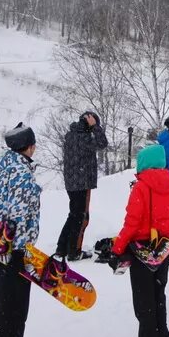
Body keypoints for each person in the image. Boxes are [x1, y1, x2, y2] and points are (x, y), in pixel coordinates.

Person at [112, 143, 169, 337]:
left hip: (142, 248)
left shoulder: (141, 187)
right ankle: (163, 336)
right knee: (159, 293)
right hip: (163, 247)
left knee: (144, 298)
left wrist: (118, 246)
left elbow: (132, 221)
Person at [0, 123, 42, 337]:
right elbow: (18, 213)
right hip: (16, 249)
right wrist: (20, 249)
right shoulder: (22, 173)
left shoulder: (5, 166)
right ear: (28, 146)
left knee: (4, 307)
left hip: (1, 247)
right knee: (16, 309)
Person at [55, 111, 109, 261]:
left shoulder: (71, 134)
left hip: (71, 182)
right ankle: (74, 251)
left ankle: (61, 248)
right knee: (81, 217)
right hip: (82, 182)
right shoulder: (84, 137)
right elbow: (102, 143)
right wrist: (95, 127)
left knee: (73, 214)